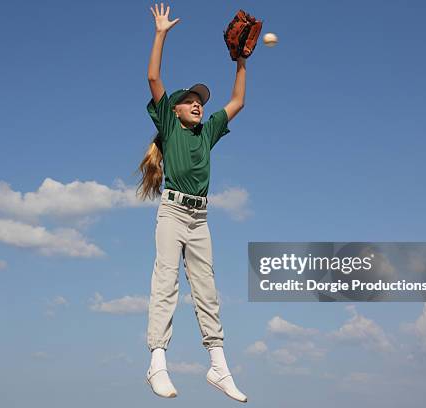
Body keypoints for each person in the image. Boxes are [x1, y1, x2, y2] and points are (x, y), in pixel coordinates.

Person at [137, 3, 248, 403]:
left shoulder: (208, 131)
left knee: (207, 290)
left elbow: (237, 102)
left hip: (200, 219)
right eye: (190, 100)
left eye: (200, 100)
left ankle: (219, 367)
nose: (198, 102)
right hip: (172, 212)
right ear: (175, 110)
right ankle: (157, 363)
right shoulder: (169, 124)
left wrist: (240, 61)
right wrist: (161, 32)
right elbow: (153, 76)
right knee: (166, 283)